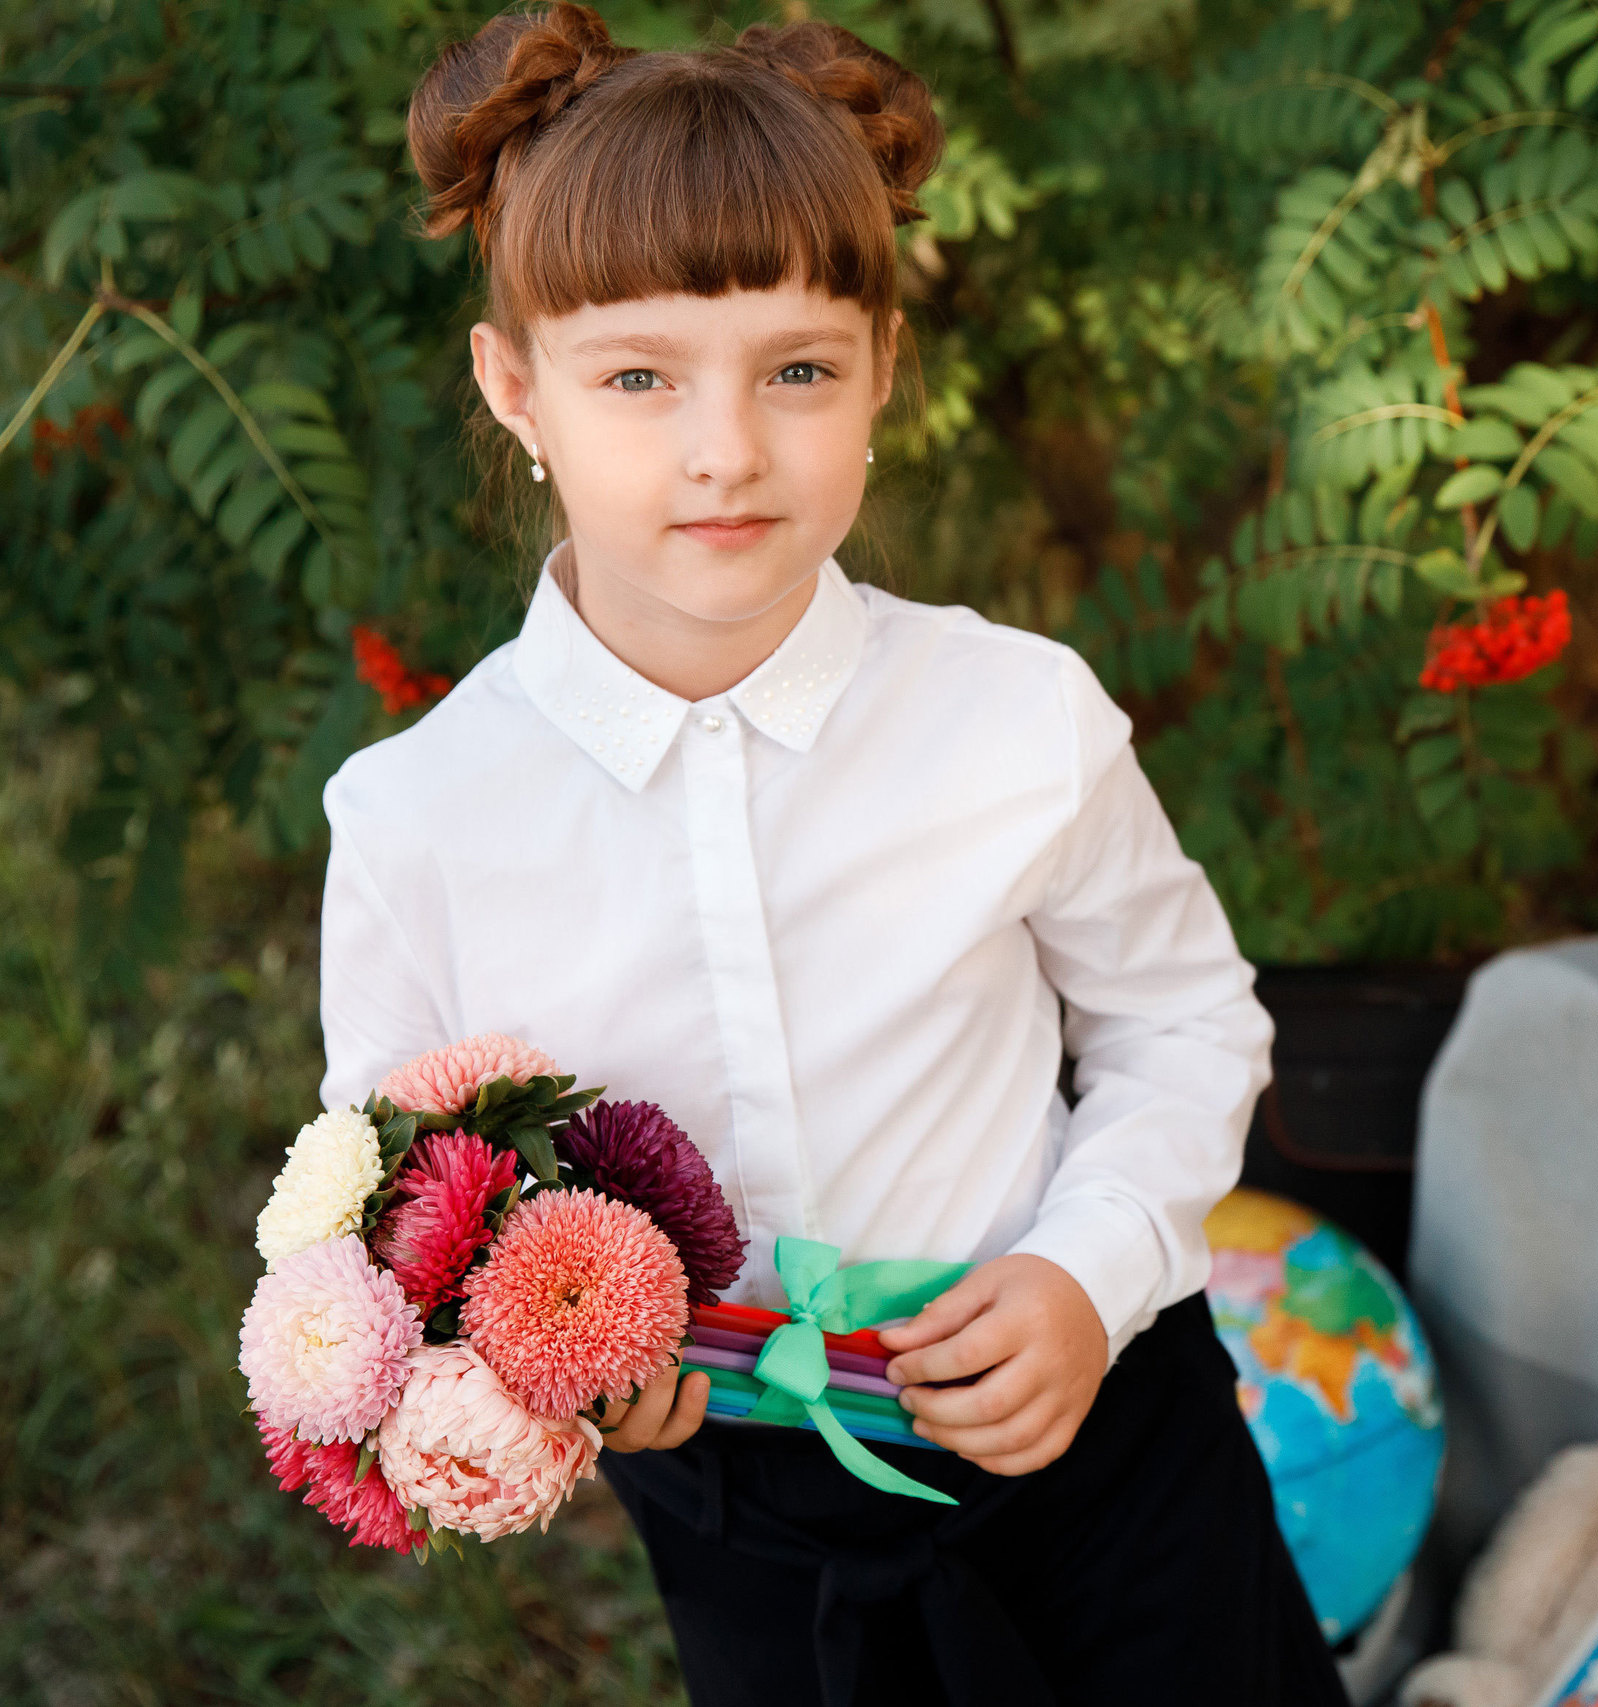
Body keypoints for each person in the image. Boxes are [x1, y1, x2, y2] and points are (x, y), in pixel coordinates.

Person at [317, 7, 1350, 1703]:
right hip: (740, 1501)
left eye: (796, 368)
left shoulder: (1019, 720)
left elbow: (1187, 1023)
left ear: (880, 366)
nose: (726, 448)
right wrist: (553, 1368)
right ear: (518, 390)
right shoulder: (423, 820)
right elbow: (421, 1204)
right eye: (639, 376)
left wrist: (1088, 1278)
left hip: (1097, 1438)